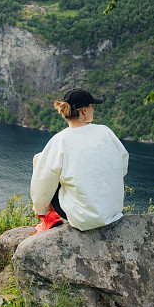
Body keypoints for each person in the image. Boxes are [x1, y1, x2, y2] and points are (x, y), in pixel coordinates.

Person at [31, 87, 129, 232]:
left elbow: (43, 183)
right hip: (112, 213)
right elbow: (123, 164)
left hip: (82, 219)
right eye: (92, 106)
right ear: (84, 111)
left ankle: (48, 219)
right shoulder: (105, 132)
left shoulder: (60, 140)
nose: (93, 109)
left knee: (39, 160)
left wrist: (39, 209)